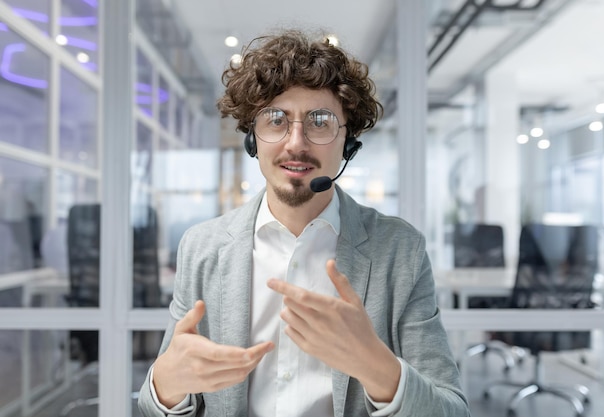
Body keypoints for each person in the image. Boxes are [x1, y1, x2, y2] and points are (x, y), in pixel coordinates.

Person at [138, 28, 470, 417]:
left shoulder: (399, 249)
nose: (296, 142)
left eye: (320, 121)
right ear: (252, 139)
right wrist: (167, 386)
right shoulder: (203, 246)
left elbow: (451, 410)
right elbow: (153, 403)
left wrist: (377, 367)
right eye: (276, 120)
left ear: (348, 143)